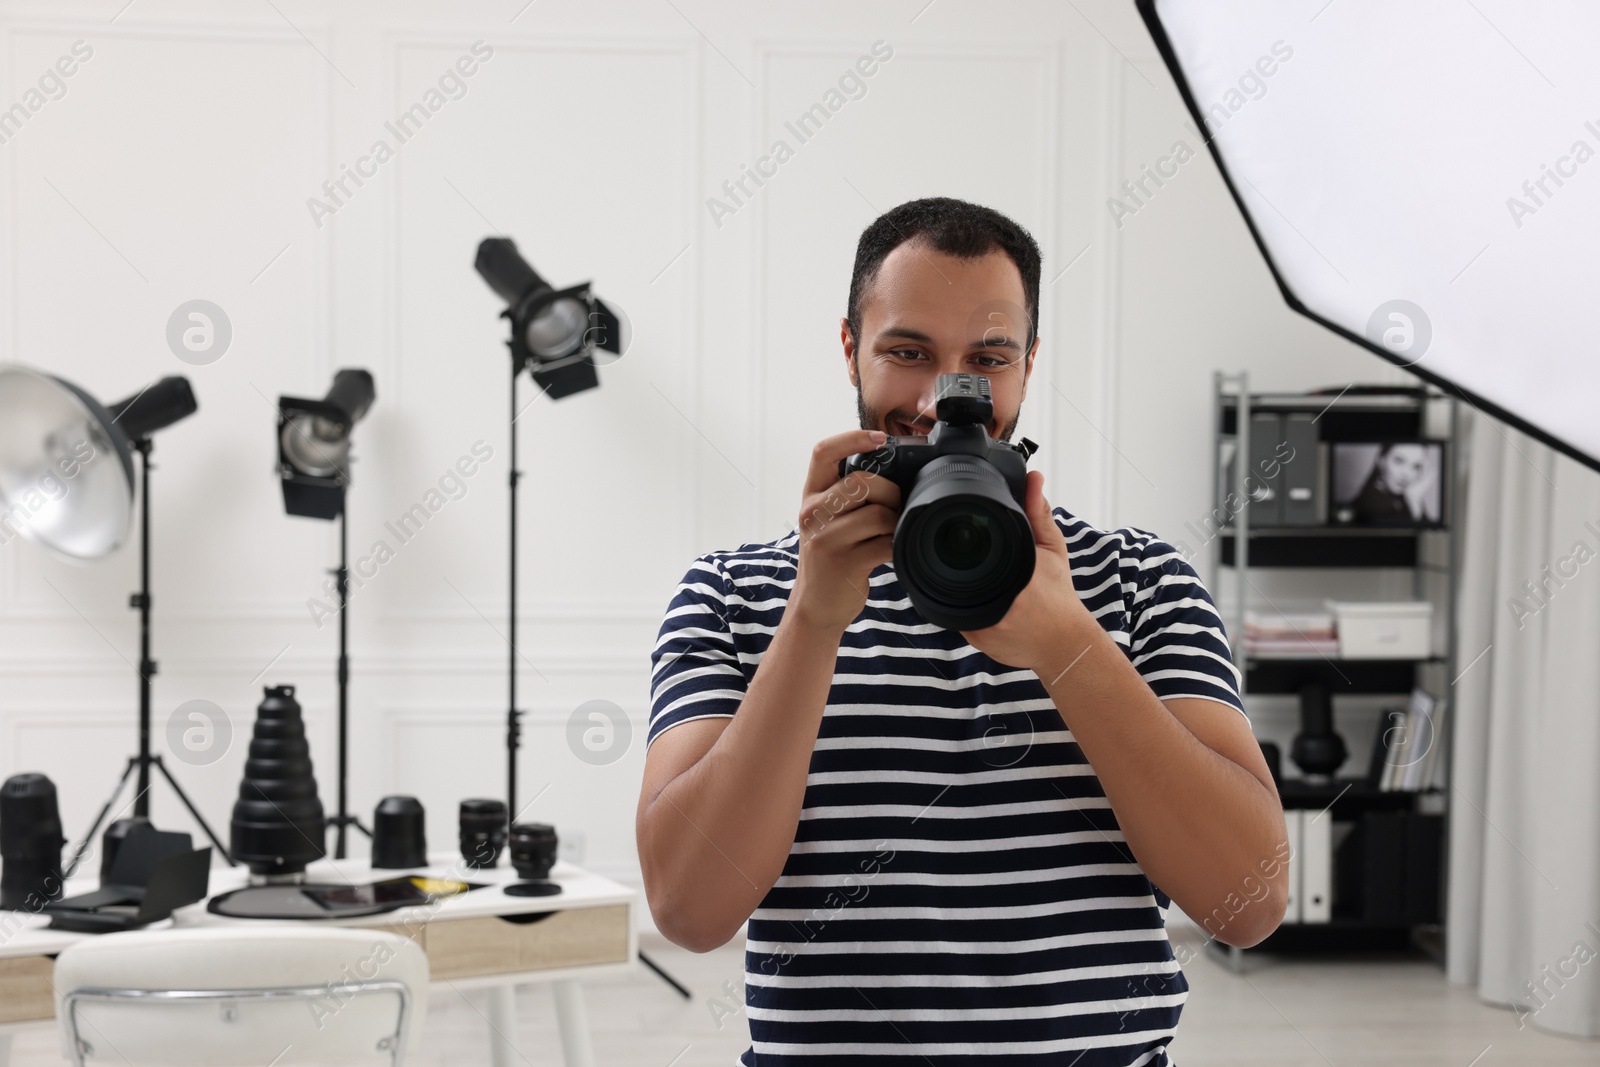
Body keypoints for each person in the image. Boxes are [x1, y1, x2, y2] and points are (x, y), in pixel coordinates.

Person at [636, 197, 1288, 1066]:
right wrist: (813, 618)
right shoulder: (734, 594)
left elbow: (1250, 903)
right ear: (848, 347)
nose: (944, 398)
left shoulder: (1140, 581)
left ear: (1027, 366)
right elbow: (690, 908)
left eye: (986, 359)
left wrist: (1070, 648)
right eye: (908, 352)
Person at [1351, 442, 1435, 524]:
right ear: (1381, 460)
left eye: (1416, 466)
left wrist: (1414, 501)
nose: (1407, 473)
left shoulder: (1409, 497)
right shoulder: (1367, 506)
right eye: (1399, 461)